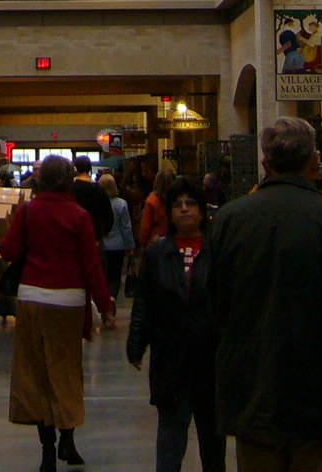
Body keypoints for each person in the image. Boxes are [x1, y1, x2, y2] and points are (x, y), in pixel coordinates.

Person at [208, 117, 322, 472]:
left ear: (264, 163)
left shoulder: (230, 220)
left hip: (254, 390)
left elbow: (214, 304)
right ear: (315, 161)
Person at [0, 154, 116, 472]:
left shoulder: (27, 212)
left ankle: (47, 451)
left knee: (37, 374)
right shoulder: (79, 216)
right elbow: (92, 267)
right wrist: (106, 307)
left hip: (32, 298)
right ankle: (69, 440)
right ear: (68, 180)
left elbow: (7, 251)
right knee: (65, 371)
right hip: (69, 301)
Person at [127, 177, 225, 472]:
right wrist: (136, 343)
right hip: (171, 359)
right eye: (177, 205)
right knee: (170, 437)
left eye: (190, 204)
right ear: (168, 213)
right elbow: (145, 302)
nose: (184, 210)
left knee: (213, 440)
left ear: (202, 210)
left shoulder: (217, 250)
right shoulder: (158, 254)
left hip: (210, 359)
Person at [98, 172, 134, 304]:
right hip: (118, 245)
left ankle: (104, 300)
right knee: (115, 276)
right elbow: (126, 227)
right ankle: (112, 296)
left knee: (102, 275)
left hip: (101, 245)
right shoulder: (121, 204)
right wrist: (130, 246)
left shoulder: (96, 204)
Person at [70, 155, 114, 242]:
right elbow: (108, 214)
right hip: (94, 234)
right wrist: (104, 231)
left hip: (74, 234)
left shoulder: (70, 189)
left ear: (76, 169)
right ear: (90, 169)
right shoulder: (100, 189)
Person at [134, 168, 171, 253]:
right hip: (171, 240)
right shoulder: (174, 200)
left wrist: (142, 242)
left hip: (155, 241)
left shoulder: (152, 200)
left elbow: (146, 226)